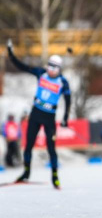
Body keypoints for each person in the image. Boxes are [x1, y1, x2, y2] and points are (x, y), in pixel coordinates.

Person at [7, 39, 70, 189]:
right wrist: (10, 53)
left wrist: (66, 118)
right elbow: (21, 66)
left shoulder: (63, 82)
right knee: (28, 146)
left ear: (59, 69)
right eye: (49, 66)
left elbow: (69, 100)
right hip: (35, 115)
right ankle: (26, 173)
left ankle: (55, 176)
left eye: (54, 67)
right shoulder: (41, 73)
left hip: (49, 118)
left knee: (51, 148)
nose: (50, 69)